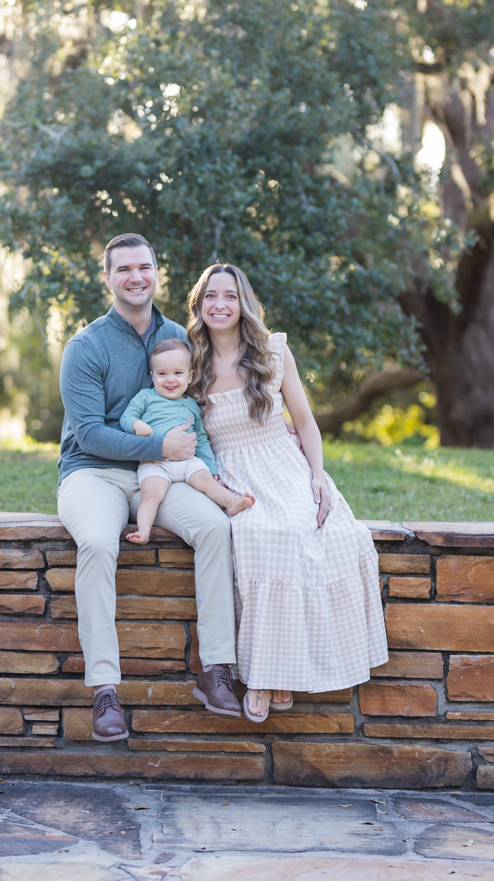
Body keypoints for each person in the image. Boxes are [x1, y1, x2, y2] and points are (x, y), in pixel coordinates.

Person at [57, 234, 241, 744]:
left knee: (213, 527)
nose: (136, 277)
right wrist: (160, 443)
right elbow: (90, 431)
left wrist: (278, 424)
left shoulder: (182, 335)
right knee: (96, 541)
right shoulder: (86, 346)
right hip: (92, 472)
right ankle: (105, 690)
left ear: (157, 272)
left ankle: (217, 670)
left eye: (145, 267)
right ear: (108, 278)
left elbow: (211, 400)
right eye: (124, 269)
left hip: (162, 475)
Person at [187, 262, 388, 722]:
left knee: (313, 533)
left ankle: (273, 675)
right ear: (199, 305)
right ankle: (267, 675)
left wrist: (317, 475)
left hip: (284, 464)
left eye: (230, 296)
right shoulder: (190, 357)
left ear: (244, 303)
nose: (220, 305)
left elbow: (304, 420)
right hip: (231, 473)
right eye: (211, 297)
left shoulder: (273, 351)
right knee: (259, 538)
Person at [120, 337, 254, 545]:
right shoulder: (146, 397)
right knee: (151, 493)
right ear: (152, 376)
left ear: (190, 376)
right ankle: (143, 531)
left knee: (206, 481)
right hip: (155, 463)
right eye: (162, 374)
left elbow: (200, 439)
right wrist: (137, 425)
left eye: (178, 373)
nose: (170, 380)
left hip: (187, 462)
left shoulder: (192, 405)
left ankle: (231, 502)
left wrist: (211, 467)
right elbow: (126, 418)